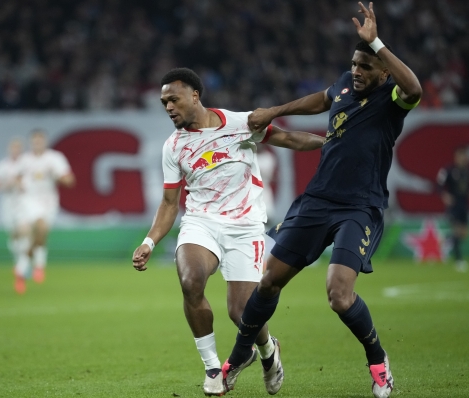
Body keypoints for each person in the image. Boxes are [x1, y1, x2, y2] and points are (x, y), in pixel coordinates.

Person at [221, 3, 422, 398]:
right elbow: (321, 99)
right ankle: (241, 354)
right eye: (354, 65)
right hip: (317, 201)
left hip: (359, 207)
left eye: (366, 67)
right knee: (269, 282)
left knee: (339, 295)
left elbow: (415, 88)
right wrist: (275, 111)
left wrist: (376, 43)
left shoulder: (391, 101)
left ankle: (379, 362)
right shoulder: (345, 85)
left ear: (383, 71)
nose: (357, 73)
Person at [131, 67, 324, 396]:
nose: (168, 107)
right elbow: (168, 204)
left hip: (246, 227)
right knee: (191, 281)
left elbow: (290, 139)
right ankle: (211, 368)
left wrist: (331, 144)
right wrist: (150, 241)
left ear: (195, 96)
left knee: (240, 311)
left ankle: (267, 351)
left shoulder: (241, 123)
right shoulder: (173, 147)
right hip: (200, 223)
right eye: (164, 102)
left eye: (173, 99)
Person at [14, 130, 75, 293]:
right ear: (31, 143)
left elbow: (70, 180)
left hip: (48, 201)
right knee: (31, 231)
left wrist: (60, 177)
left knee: (40, 235)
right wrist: (19, 183)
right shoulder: (24, 160)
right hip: (28, 200)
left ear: (45, 142)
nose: (37, 144)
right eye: (35, 141)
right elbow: (17, 177)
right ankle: (37, 267)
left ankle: (22, 268)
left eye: (40, 140)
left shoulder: (55, 158)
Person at [0, 138, 29, 292]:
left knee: (23, 231)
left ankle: (21, 268)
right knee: (13, 237)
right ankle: (20, 262)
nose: (15, 151)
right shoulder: (2, 166)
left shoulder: (26, 164)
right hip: (8, 204)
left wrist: (20, 184)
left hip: (25, 203)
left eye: (18, 148)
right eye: (13, 148)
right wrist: (5, 184)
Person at [437, 147, 469, 272]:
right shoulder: (448, 170)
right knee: (458, 231)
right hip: (454, 206)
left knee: (465, 234)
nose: (463, 158)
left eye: (465, 156)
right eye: (461, 156)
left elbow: (468, 187)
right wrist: (445, 195)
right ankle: (459, 260)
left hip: (464, 205)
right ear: (456, 157)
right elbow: (438, 185)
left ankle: (446, 238)